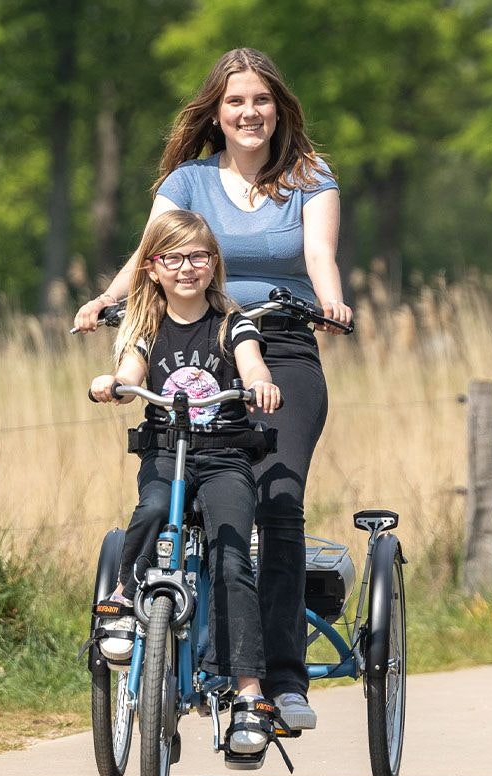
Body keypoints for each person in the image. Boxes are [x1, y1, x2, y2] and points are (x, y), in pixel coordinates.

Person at [75, 48, 353, 731]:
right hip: (192, 340)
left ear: (277, 108)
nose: (249, 112)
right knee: (195, 496)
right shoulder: (188, 180)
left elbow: (319, 255)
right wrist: (107, 299)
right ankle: (193, 650)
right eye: (235, 102)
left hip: (280, 346)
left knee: (277, 500)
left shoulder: (308, 177)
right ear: (217, 112)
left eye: (260, 100)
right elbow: (149, 252)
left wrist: (332, 304)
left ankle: (282, 680)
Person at [89, 209, 283, 760]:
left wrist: (260, 385)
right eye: (172, 258)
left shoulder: (232, 321)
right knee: (152, 507)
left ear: (213, 263)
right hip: (165, 454)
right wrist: (117, 385)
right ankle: (127, 597)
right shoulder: (145, 325)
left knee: (230, 556)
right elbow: (131, 370)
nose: (186, 268)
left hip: (224, 457)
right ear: (152, 268)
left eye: (198, 257)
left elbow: (251, 364)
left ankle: (249, 693)